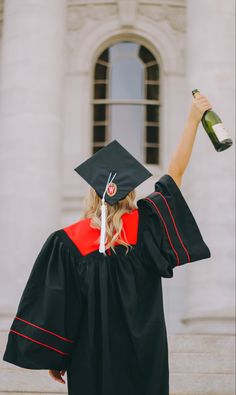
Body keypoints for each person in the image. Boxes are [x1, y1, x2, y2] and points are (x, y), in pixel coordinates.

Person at [3, 93, 212, 395]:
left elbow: (60, 305)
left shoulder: (67, 242)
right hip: (146, 355)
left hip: (90, 356)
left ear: (92, 193)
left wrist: (58, 355)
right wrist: (193, 119)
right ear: (129, 193)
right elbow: (175, 174)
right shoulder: (149, 224)